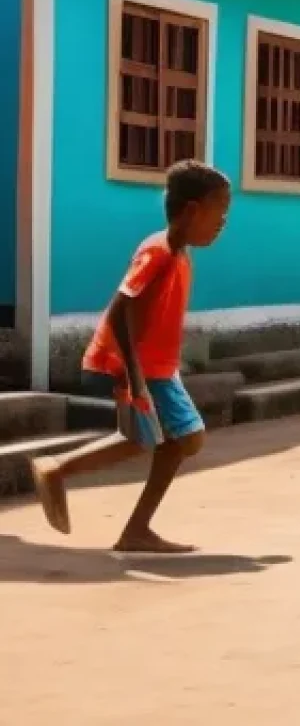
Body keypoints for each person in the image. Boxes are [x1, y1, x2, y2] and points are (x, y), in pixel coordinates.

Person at [29, 160, 231, 554]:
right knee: (167, 438)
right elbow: (122, 309)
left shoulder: (177, 253)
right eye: (219, 212)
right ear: (192, 210)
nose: (222, 222)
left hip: (157, 368)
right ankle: (60, 471)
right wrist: (133, 377)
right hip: (136, 367)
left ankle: (134, 527)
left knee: (170, 439)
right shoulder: (157, 253)